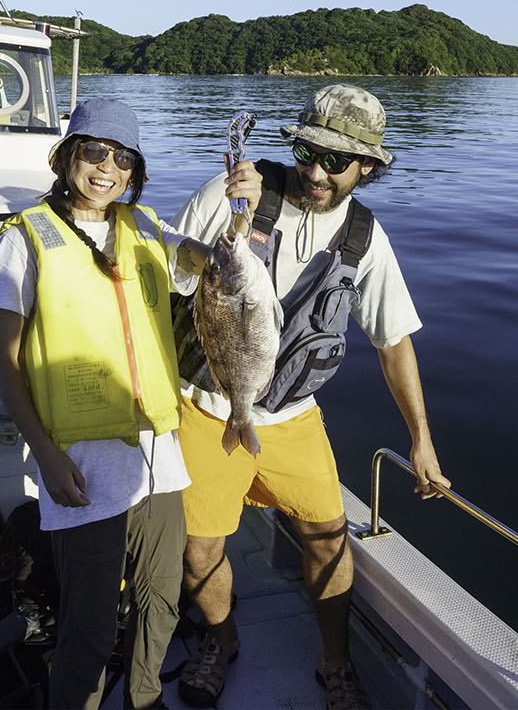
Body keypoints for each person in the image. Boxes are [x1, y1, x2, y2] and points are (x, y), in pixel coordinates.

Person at [170, 84, 450, 710]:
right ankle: (221, 638)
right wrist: (220, 240)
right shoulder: (233, 190)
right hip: (209, 405)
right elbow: (168, 267)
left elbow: (394, 341)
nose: (315, 170)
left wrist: (421, 439)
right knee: (199, 546)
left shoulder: (364, 239)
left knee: (327, 535)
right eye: (305, 150)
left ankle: (335, 662)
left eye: (336, 160)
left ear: (368, 169)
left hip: (295, 416)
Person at [0, 97, 221, 710]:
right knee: (88, 626)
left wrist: (238, 207)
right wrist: (46, 455)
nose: (106, 168)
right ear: (65, 158)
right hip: (83, 463)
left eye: (122, 159)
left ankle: (144, 700)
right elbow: (4, 364)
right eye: (93, 151)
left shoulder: (145, 228)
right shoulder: (26, 237)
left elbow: (210, 264)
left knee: (162, 597)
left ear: (135, 173)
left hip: (157, 457)